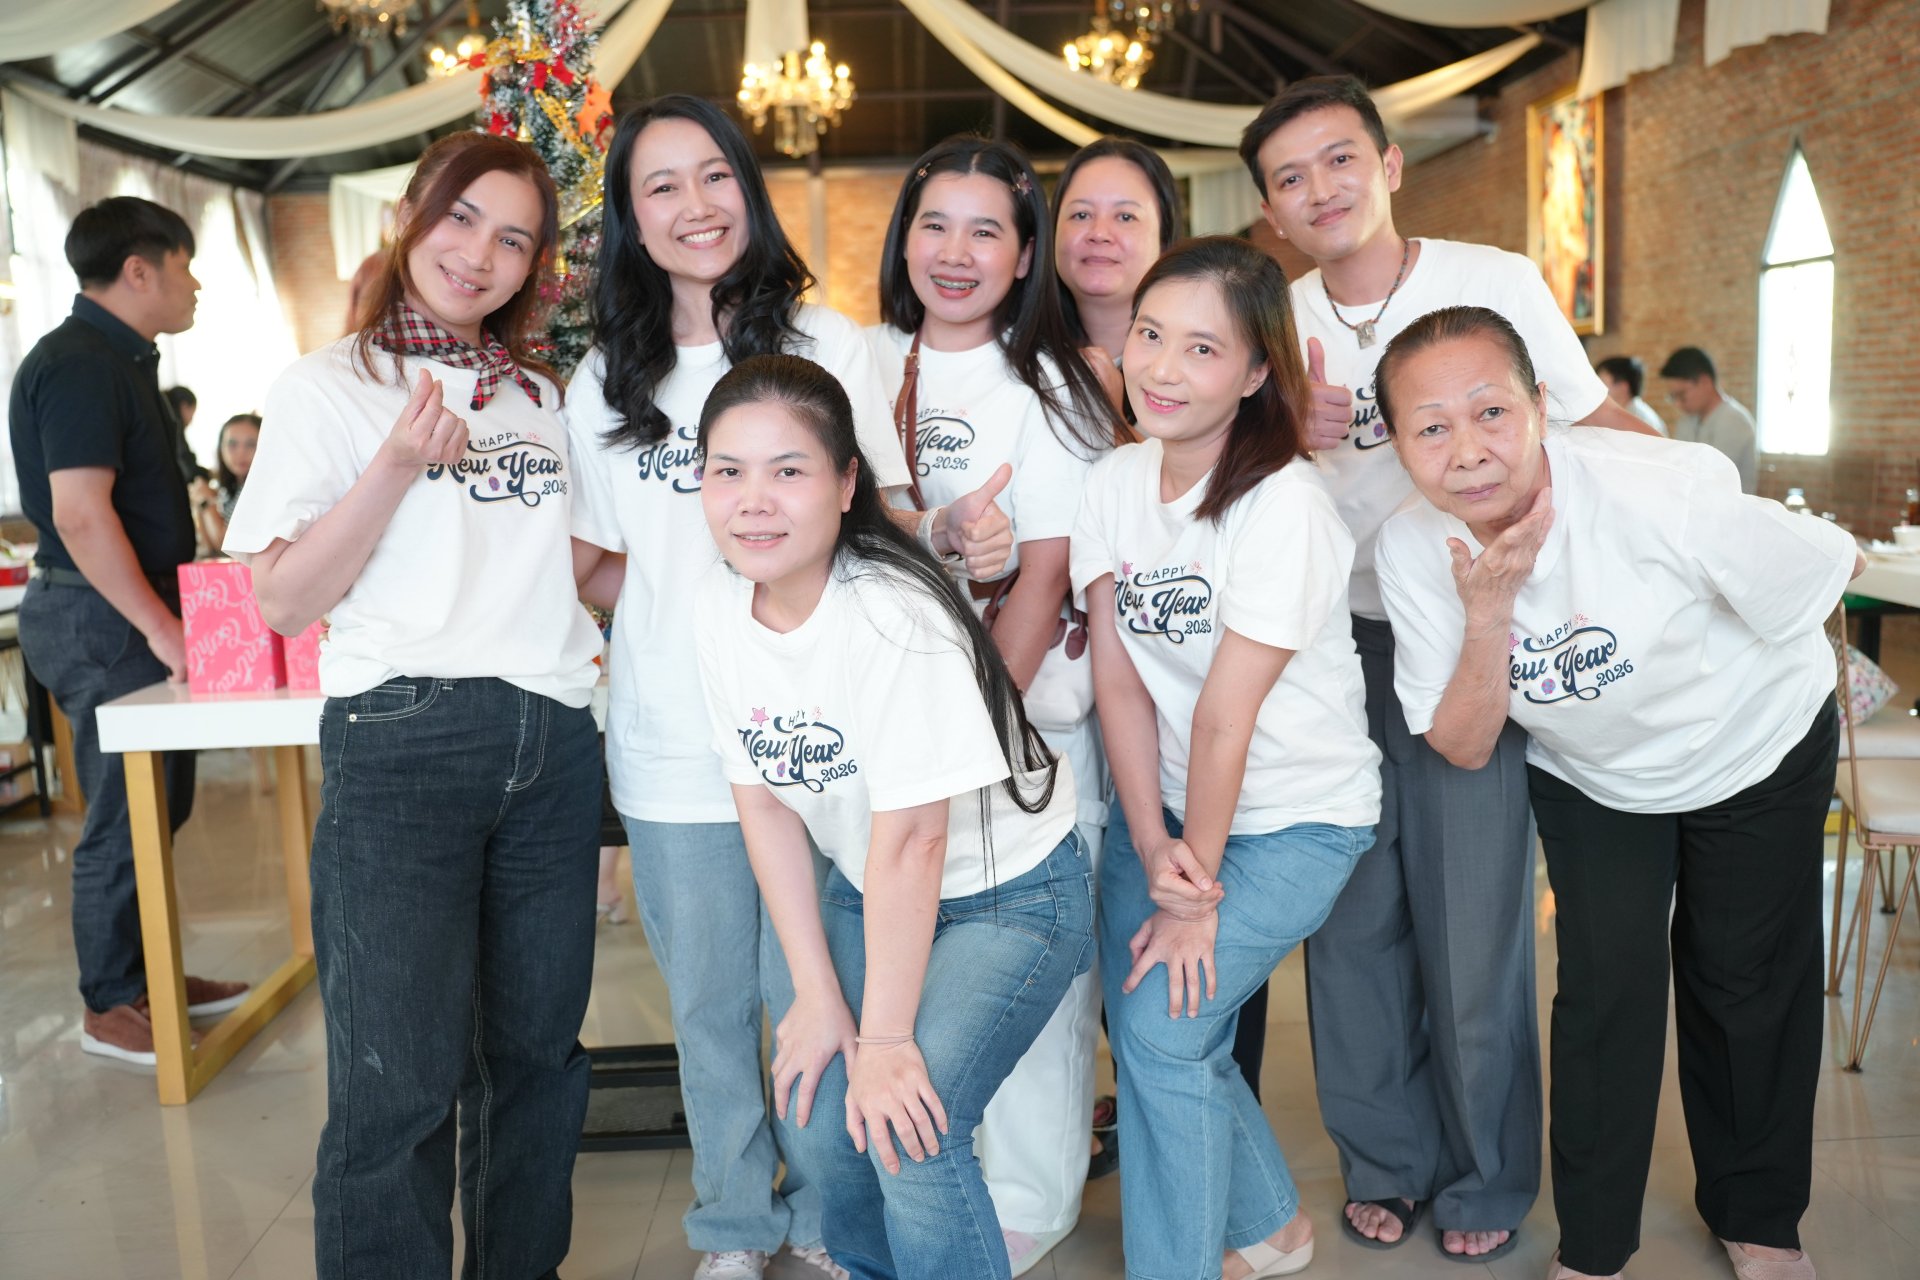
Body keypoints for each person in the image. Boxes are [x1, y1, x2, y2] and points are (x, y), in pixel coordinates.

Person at [564, 95, 1008, 1280]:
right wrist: (690, 609)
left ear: (749, 190)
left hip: (821, 734)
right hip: (673, 736)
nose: (695, 206)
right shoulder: (605, 376)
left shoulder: (828, 342)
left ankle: (825, 1210)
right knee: (711, 1004)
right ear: (630, 218)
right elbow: (595, 562)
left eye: (715, 175)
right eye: (661, 186)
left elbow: (880, 513)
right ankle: (732, 1223)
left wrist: (954, 536)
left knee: (822, 985)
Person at [1240, 73, 1655, 1260]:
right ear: (1270, 209)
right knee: (1351, 919)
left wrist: (1699, 510)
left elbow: (1587, 425)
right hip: (1322, 646)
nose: (1320, 189)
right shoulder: (1273, 316)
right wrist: (1281, 434)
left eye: (1339, 159)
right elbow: (1207, 465)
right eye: (1289, 177)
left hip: (1475, 626)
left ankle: (1485, 1171)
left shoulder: (1495, 281)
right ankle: (1386, 1158)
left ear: (1388, 164)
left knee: (1475, 920)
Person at [1372, 305, 1859, 1280]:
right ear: (1396, 443)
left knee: (1744, 977)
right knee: (1605, 993)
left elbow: (1818, 577)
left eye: (1491, 411)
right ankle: (1595, 1244)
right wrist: (1489, 613)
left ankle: (1759, 1218)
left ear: (1542, 405)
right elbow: (1463, 743)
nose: (1467, 450)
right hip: (1597, 774)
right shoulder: (1412, 547)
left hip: (1757, 741)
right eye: (1430, 427)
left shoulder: (1663, 487)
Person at [224, 131, 604, 1280]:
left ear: (534, 266)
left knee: (537, 1060)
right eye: (460, 217)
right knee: (398, 1075)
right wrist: (394, 464)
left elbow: (578, 569)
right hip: (404, 740)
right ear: (409, 215)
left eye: (514, 239)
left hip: (552, 738)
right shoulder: (328, 386)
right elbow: (284, 599)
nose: (479, 254)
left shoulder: (541, 394)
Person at [691, 353, 1092, 1280]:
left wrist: (884, 1040)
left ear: (846, 487)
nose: (754, 501)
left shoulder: (891, 612)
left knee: (908, 1123)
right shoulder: (718, 603)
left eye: (788, 471)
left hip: (1010, 894)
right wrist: (816, 995)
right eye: (728, 471)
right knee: (819, 1121)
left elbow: (917, 838)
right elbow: (763, 801)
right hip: (871, 884)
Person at [1071, 236, 1380, 1280]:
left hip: (1297, 818)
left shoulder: (1285, 504)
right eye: (1150, 335)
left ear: (1255, 372)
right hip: (1165, 808)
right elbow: (1118, 681)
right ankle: (1275, 1227)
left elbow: (1222, 717)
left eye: (1202, 349)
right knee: (1153, 1026)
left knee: (1163, 1030)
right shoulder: (1114, 481)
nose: (1162, 368)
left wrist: (1192, 890)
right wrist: (1148, 838)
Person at [867, 135, 1121, 1274]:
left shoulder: (1053, 385)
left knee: (1032, 977)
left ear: (1025, 257)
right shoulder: (866, 361)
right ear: (903, 241)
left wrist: (976, 731)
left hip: (1023, 733)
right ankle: (932, 1174)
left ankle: (1033, 1194)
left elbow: (1047, 573)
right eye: (935, 225)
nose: (956, 253)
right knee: (919, 969)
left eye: (987, 231)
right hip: (891, 729)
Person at [9, 196, 248, 1067]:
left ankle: (144, 976)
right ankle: (109, 1002)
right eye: (185, 266)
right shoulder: (79, 362)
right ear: (139, 270)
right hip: (100, 615)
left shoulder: (120, 358)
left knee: (156, 804)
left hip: (121, 610)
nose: (196, 285)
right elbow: (79, 514)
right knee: (123, 807)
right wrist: (160, 627)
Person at [1660, 346, 1757, 493]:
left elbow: (1712, 480)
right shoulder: (1687, 420)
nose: (1678, 404)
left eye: (1682, 395)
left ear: (1705, 381)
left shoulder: (1734, 421)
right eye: (1673, 397)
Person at [193, 411, 259, 553]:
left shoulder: (260, 490)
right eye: (232, 444)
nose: (241, 452)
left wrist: (207, 502)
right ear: (220, 449)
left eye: (251, 444)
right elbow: (208, 548)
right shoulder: (228, 489)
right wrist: (201, 503)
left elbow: (228, 547)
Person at [1594, 355, 1666, 434]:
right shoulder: (1627, 412)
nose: (1596, 387)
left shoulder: (1640, 417)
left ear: (1623, 386)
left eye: (1601, 381)